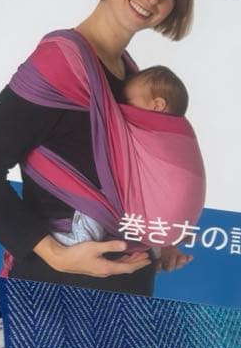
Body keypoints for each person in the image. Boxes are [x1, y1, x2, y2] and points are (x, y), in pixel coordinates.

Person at [0, 0, 196, 294]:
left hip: (127, 293)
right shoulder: (62, 63)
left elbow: (126, 185)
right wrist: (57, 256)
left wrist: (156, 239)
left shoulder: (133, 77)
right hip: (55, 291)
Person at [51, 65, 194, 249]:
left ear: (158, 105)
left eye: (127, 101)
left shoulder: (153, 134)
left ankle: (79, 239)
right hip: (149, 213)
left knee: (100, 203)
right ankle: (153, 249)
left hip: (138, 200)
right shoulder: (175, 138)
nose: (120, 105)